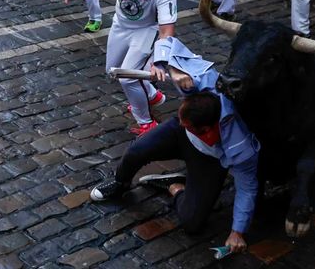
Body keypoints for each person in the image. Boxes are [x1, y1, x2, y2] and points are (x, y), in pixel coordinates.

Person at [90, 37, 260, 253]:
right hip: (180, 134)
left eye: (187, 124)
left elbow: (247, 188)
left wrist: (237, 232)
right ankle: (120, 183)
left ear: (207, 131)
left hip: (210, 160)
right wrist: (171, 68)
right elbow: (167, 41)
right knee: (137, 150)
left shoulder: (240, 147)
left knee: (192, 223)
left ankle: (175, 186)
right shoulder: (204, 80)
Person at [50, 0, 176, 135]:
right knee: (114, 71)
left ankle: (146, 122)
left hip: (146, 30)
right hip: (121, 24)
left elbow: (166, 29)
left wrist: (160, 62)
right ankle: (152, 96)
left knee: (128, 77)